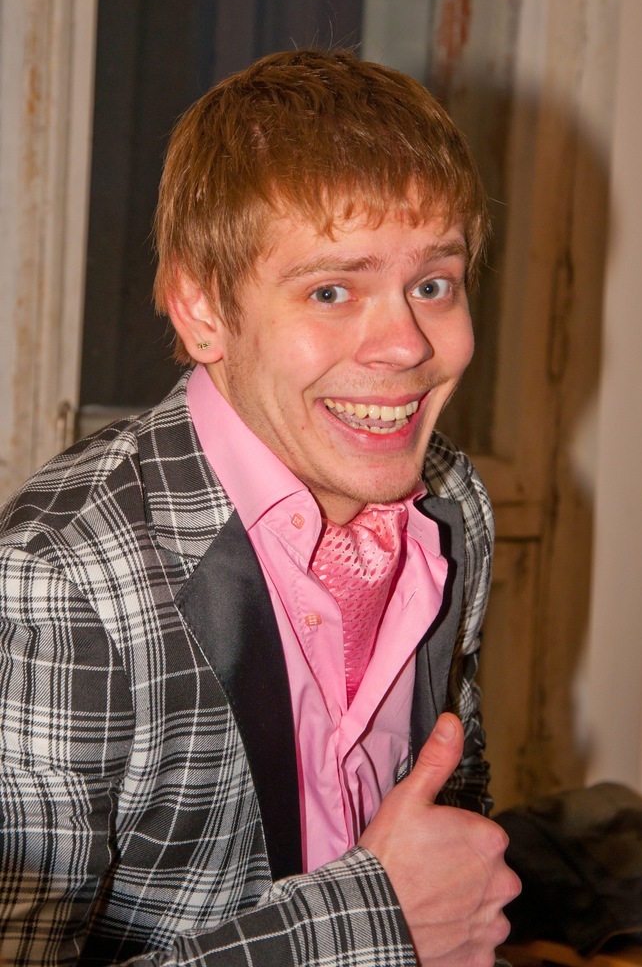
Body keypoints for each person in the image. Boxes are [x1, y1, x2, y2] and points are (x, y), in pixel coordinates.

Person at [0, 49, 520, 966]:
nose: (406, 345)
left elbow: (449, 800)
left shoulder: (452, 505)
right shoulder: (58, 581)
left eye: (432, 284)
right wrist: (372, 924)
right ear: (203, 310)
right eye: (332, 290)